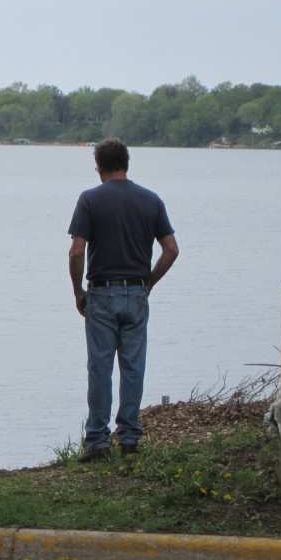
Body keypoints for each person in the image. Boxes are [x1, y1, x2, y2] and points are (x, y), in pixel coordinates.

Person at [68, 138, 179, 463]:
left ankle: (98, 443)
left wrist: (78, 291)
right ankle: (129, 438)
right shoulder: (151, 200)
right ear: (126, 164)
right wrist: (149, 282)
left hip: (101, 292)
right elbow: (171, 249)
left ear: (99, 166)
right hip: (136, 291)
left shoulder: (90, 199)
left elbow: (77, 251)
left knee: (100, 368)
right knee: (133, 366)